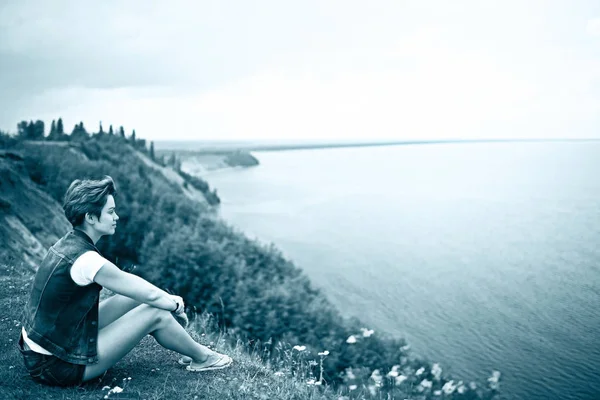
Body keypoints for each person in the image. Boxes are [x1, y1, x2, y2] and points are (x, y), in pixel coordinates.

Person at [18, 175, 232, 387]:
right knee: (155, 311)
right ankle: (204, 358)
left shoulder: (67, 244)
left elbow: (137, 290)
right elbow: (150, 295)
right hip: (55, 365)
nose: (116, 217)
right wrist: (175, 305)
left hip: (44, 348)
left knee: (133, 298)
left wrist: (165, 298)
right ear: (91, 217)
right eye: (110, 212)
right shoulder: (86, 260)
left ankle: (185, 347)